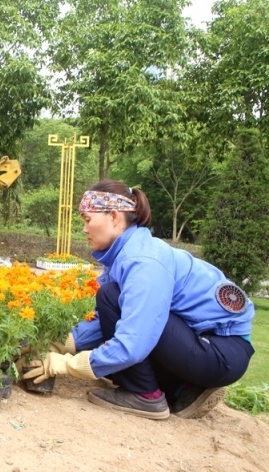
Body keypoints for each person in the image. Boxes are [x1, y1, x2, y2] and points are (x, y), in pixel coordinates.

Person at [23, 180, 254, 420]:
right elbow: (105, 320)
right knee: (112, 300)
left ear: (113, 216)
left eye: (87, 219)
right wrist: (62, 343)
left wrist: (64, 365)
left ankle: (146, 396)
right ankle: (182, 390)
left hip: (219, 351)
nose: (84, 229)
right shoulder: (126, 255)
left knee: (112, 301)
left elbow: (133, 341)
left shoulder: (144, 261)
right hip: (201, 344)